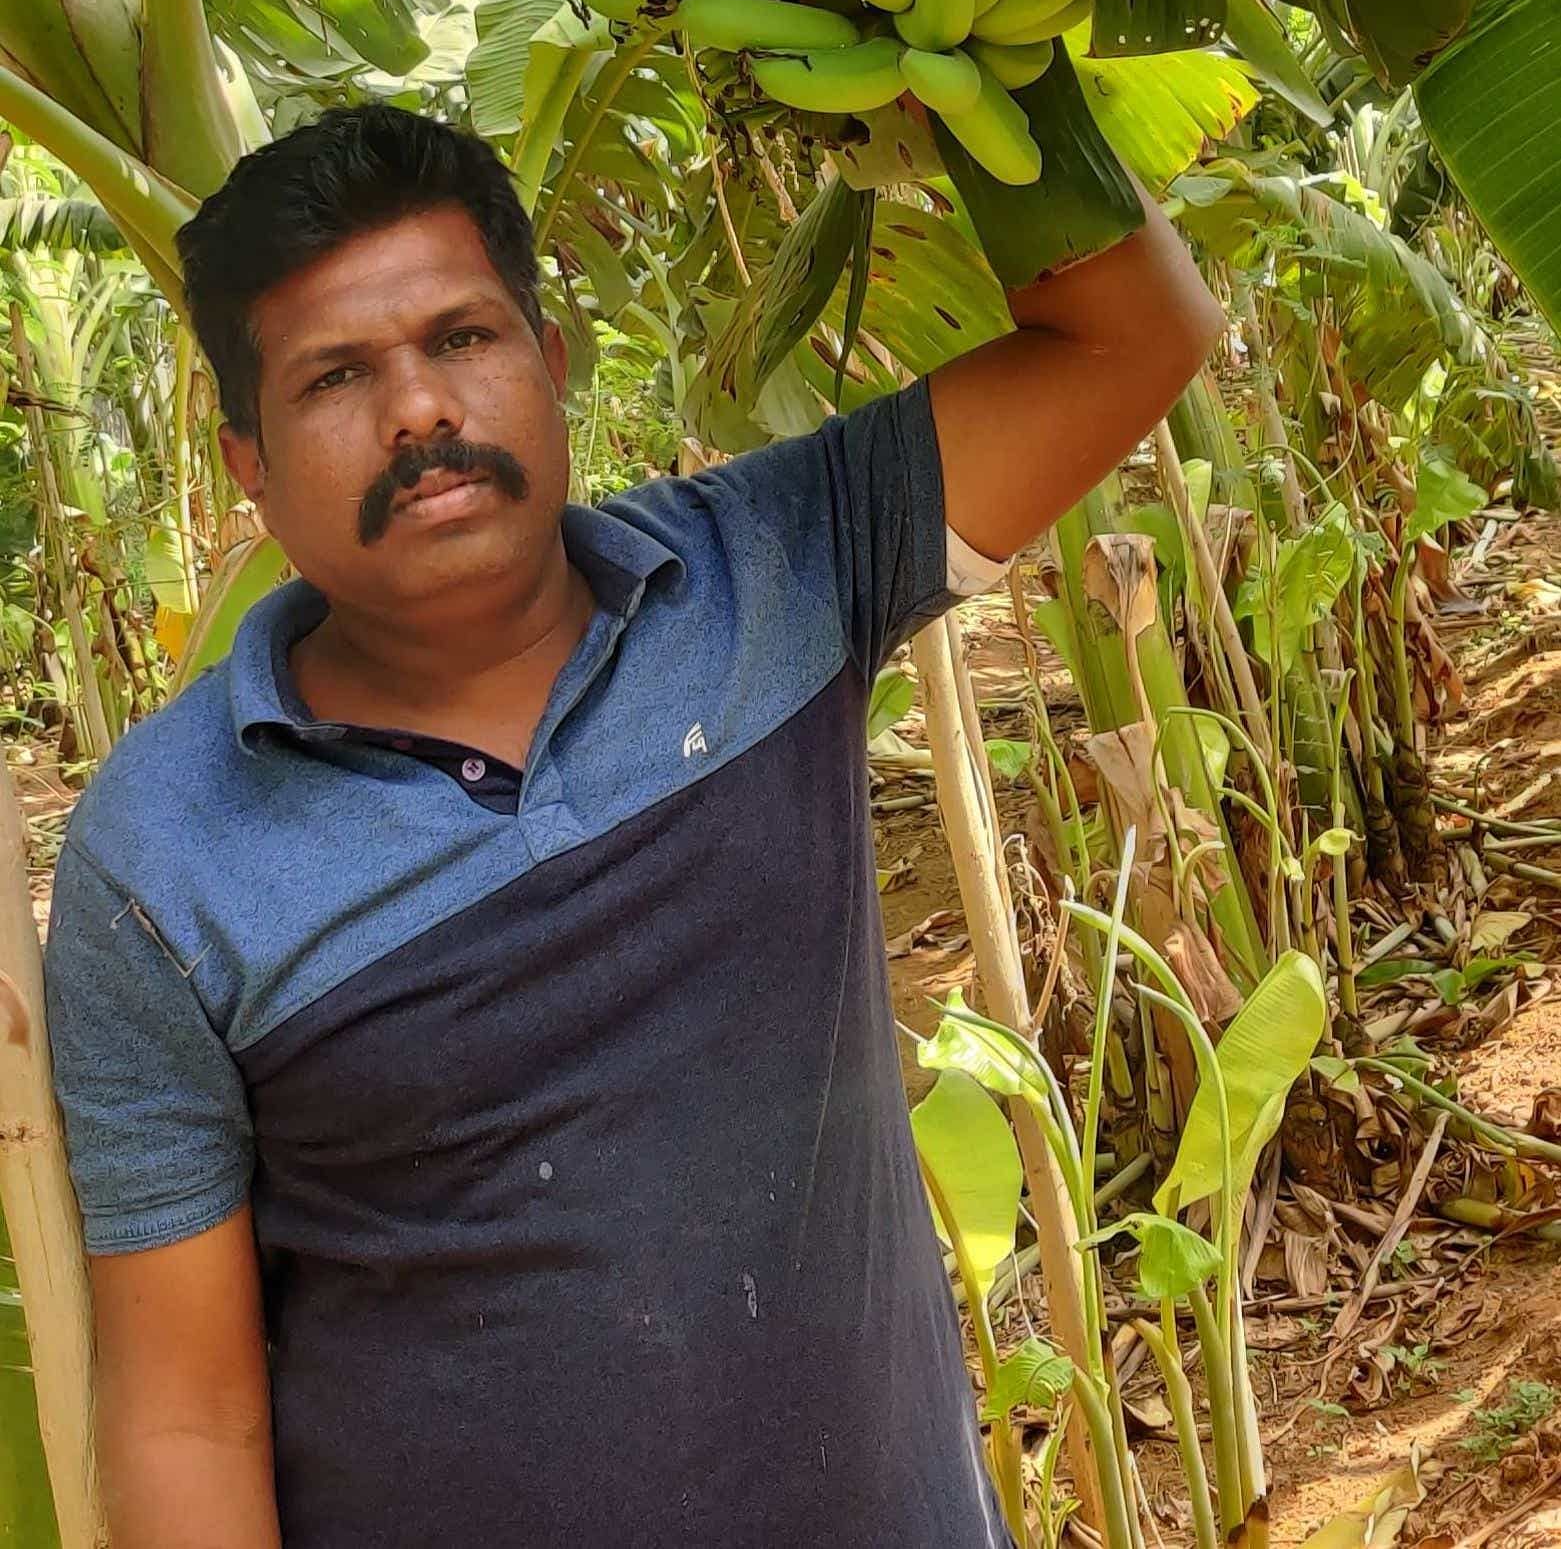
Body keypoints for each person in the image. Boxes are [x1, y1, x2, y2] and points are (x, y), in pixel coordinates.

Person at [46, 103, 1220, 1549]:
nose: (418, 410)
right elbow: (186, 1413)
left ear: (548, 363)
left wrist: (981, 49)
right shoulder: (162, 859)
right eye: (337, 375)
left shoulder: (776, 565)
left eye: (462, 338)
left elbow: (1135, 336)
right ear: (250, 464)